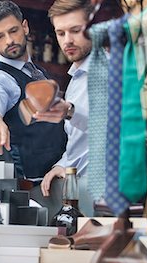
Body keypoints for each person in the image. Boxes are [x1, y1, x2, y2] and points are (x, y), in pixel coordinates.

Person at [0, 0, 67, 181]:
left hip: (59, 174)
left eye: (13, 31)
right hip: (30, 186)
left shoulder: (38, 72)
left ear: (25, 27)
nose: (9, 41)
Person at [35, 0, 95, 205]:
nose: (67, 40)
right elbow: (80, 142)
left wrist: (70, 111)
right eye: (61, 33)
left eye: (75, 31)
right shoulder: (77, 79)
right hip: (79, 190)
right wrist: (62, 165)